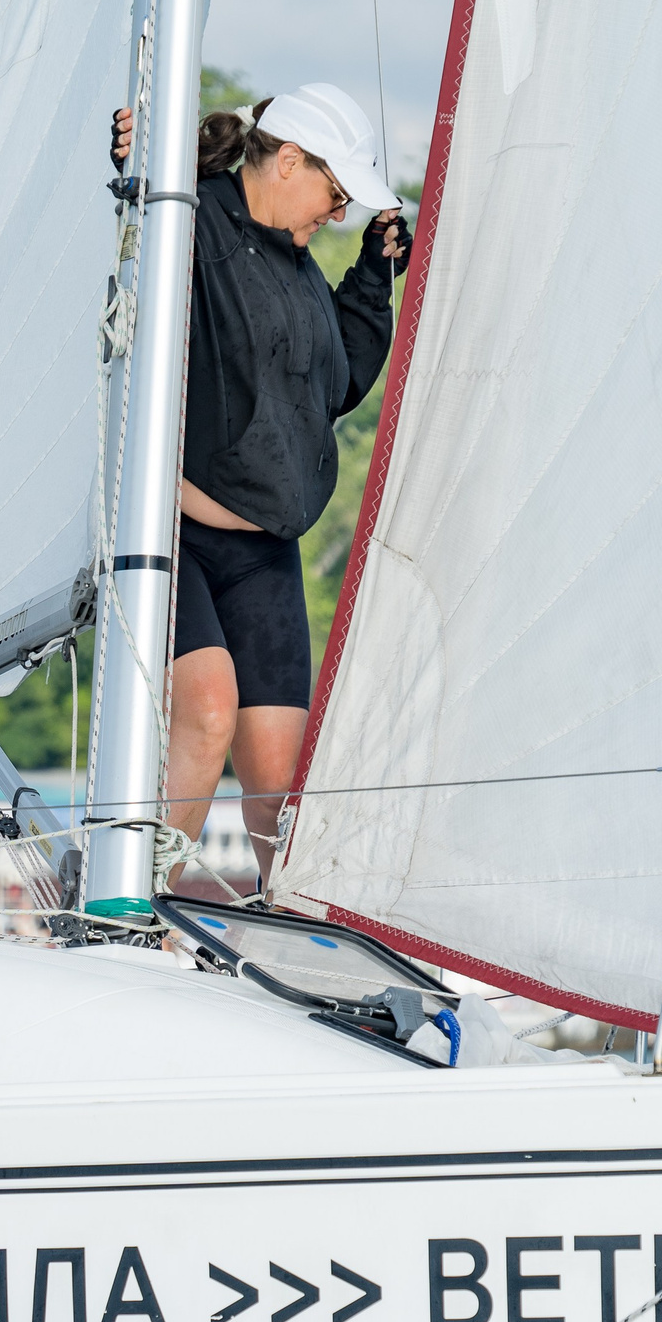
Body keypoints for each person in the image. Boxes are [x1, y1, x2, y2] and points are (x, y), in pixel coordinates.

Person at [111, 85, 409, 883]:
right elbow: (131, 220)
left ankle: (292, 916)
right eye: (335, 195)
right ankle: (136, 902)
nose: (337, 215)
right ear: (288, 161)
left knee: (280, 781)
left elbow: (336, 387)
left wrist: (373, 274)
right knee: (208, 713)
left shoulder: (298, 267)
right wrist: (137, 162)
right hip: (172, 534)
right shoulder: (191, 217)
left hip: (265, 551)